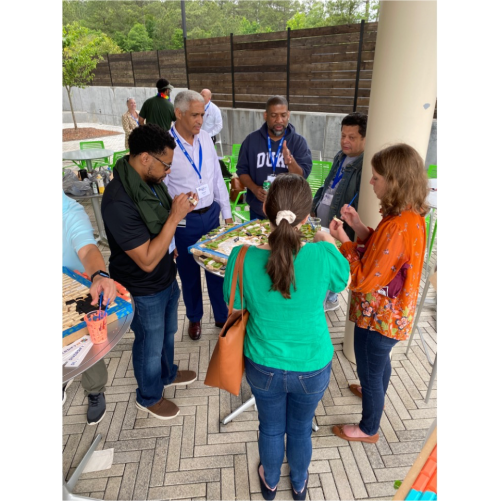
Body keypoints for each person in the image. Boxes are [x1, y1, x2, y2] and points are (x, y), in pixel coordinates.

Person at [223, 173, 350, 501]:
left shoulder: (241, 258)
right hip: (312, 365)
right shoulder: (323, 256)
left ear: (265, 207)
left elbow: (234, 304)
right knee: (300, 428)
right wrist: (326, 236)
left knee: (270, 427)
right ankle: (299, 482)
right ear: (307, 217)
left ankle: (269, 483)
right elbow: (341, 281)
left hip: (262, 365)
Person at [329, 143, 428, 444]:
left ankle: (368, 428)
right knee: (379, 362)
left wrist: (341, 240)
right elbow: (384, 254)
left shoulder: (397, 226)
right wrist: (358, 226)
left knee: (371, 368)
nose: (371, 183)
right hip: (394, 316)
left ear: (394, 181)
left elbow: (361, 279)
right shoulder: (409, 217)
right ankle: (375, 392)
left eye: (376, 177)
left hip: (379, 318)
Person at [101, 123, 198, 420]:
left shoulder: (148, 181)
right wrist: (176, 217)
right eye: (165, 164)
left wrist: (171, 242)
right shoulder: (119, 199)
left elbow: (158, 226)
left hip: (166, 277)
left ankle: (166, 374)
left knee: (168, 332)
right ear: (145, 158)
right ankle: (148, 395)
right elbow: (144, 259)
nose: (168, 171)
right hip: (142, 287)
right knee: (149, 341)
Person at [166, 90, 233, 341]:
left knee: (217, 270)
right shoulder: (166, 144)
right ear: (178, 113)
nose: (200, 120)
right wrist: (170, 238)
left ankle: (221, 315)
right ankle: (194, 318)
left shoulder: (206, 138)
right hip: (184, 223)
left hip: (211, 215)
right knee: (188, 273)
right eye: (195, 115)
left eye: (202, 115)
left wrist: (226, 214)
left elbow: (216, 177)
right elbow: (163, 193)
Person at [62, 192, 117, 425]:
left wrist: (100, 275)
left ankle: (95, 390)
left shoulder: (69, 210)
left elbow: (87, 247)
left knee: (87, 342)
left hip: (72, 295)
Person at [311, 112, 367, 312]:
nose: (345, 141)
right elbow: (327, 187)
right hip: (323, 223)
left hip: (339, 229)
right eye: (343, 135)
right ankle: (329, 298)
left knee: (332, 267)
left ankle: (328, 299)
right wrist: (313, 206)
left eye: (351, 137)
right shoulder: (340, 155)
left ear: (364, 139)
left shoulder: (365, 166)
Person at [236, 96, 312, 221]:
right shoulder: (251, 140)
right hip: (259, 211)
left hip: (288, 213)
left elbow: (302, 176)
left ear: (288, 115)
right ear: (265, 116)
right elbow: (242, 170)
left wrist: (290, 162)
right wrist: (255, 189)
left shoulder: (298, 142)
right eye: (274, 115)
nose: (279, 120)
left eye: (283, 115)